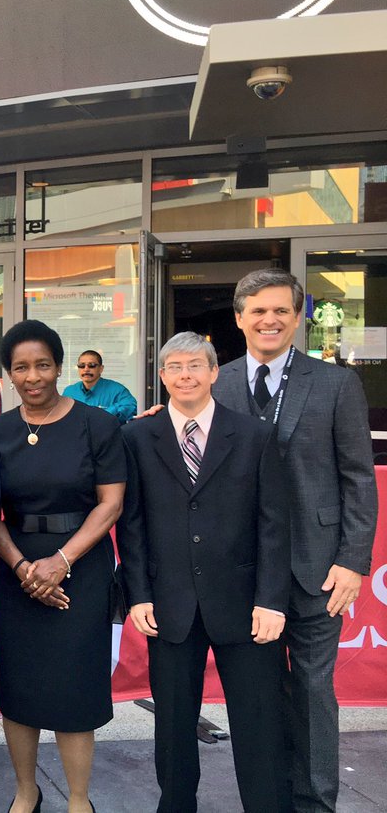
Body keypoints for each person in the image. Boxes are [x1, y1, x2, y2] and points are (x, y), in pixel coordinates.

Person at [211, 268, 376, 812]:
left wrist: (353, 562)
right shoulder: (218, 382)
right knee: (258, 698)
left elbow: (357, 477)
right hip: (243, 571)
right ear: (239, 319)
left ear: (299, 318)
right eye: (257, 310)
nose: (270, 320)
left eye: (282, 310)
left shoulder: (335, 383)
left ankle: (314, 803)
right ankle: (269, 800)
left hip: (317, 568)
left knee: (310, 692)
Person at [119, 331, 291, 812]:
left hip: (245, 605)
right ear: (161, 375)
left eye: (196, 365)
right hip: (168, 603)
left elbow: (275, 524)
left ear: (216, 372)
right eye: (174, 366)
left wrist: (272, 599)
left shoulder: (254, 435)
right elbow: (131, 524)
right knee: (173, 728)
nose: (185, 375)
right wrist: (138, 594)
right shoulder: (136, 436)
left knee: (259, 723)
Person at [0, 320, 126, 813]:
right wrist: (23, 567)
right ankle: (26, 792)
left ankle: (79, 800)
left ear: (59, 367)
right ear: (9, 375)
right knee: (19, 686)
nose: (33, 376)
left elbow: (111, 504)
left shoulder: (97, 424)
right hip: (15, 569)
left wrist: (61, 560)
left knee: (74, 687)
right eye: (21, 367)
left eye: (42, 365)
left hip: (80, 567)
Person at [62, 350, 137, 423]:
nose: (86, 369)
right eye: (82, 366)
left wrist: (103, 414)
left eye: (91, 365)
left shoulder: (117, 390)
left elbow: (131, 406)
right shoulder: (69, 392)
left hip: (107, 434)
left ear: (101, 369)